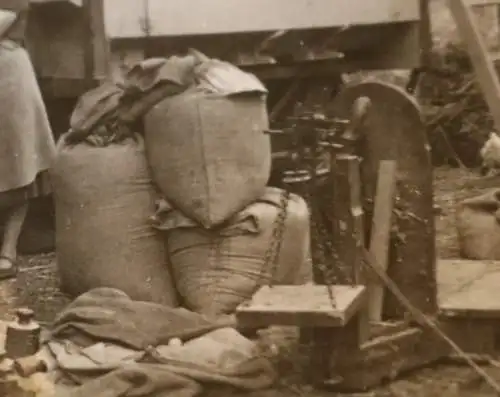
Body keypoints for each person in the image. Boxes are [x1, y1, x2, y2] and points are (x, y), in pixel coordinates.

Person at [0, 0, 56, 280]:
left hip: (9, 75)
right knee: (17, 176)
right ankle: (7, 252)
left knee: (19, 172)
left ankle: (8, 253)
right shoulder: (15, 55)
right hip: (9, 68)